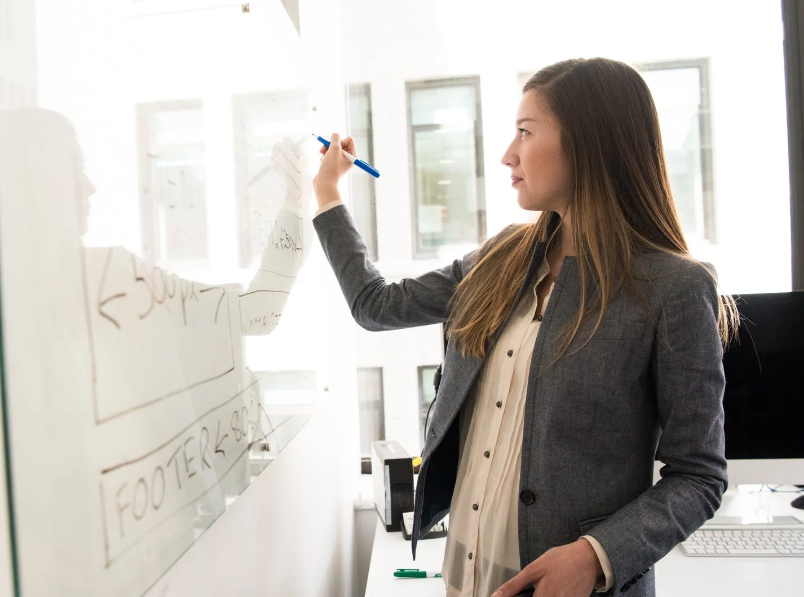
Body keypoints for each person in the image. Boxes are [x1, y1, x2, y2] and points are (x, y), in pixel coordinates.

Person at [311, 57, 737, 597]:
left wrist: (595, 557)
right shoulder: (500, 258)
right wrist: (328, 195)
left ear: (589, 143)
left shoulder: (672, 288)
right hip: (463, 578)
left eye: (525, 132)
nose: (508, 154)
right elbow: (375, 304)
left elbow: (698, 476)